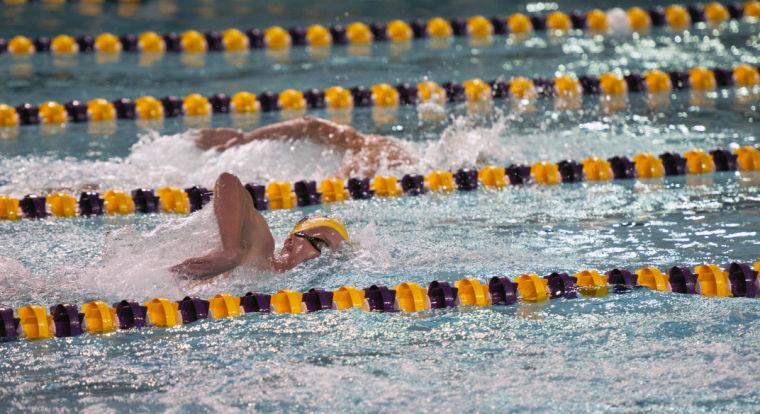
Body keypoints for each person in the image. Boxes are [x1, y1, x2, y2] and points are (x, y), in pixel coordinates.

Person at [171, 172, 349, 280]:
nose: (326, 256)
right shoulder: (261, 249)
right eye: (321, 244)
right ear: (290, 243)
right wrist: (230, 252)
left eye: (335, 252)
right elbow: (228, 181)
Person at [193, 115, 417, 178]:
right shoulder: (364, 144)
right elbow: (309, 125)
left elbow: (309, 124)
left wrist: (246, 138)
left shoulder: (370, 152)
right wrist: (246, 139)